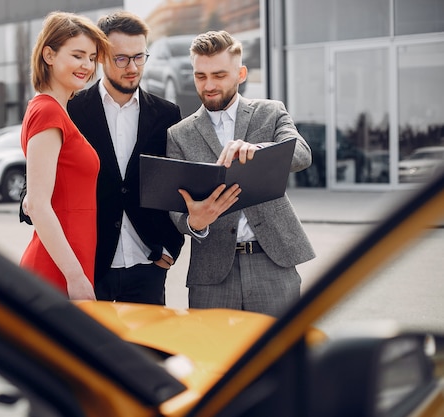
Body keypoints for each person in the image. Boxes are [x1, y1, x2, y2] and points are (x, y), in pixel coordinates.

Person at [21, 11, 184, 305]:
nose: (132, 67)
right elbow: (34, 192)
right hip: (90, 266)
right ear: (104, 58)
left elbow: (174, 185)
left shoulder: (167, 114)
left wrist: (172, 245)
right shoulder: (69, 108)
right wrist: (34, 202)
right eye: (121, 58)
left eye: (139, 57)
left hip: (148, 264)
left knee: (146, 352)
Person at [166, 30, 315, 316]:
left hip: (272, 261)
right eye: (201, 76)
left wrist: (257, 149)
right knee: (213, 357)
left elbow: (301, 154)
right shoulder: (178, 134)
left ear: (241, 73)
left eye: (219, 75)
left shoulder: (270, 113)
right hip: (211, 272)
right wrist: (193, 222)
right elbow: (176, 210)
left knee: (279, 355)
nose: (209, 85)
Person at [19, 11, 110, 300]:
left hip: (71, 262)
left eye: (92, 58)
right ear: (49, 54)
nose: (87, 65)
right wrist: (75, 277)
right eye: (78, 55)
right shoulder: (47, 111)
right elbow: (36, 204)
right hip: (57, 270)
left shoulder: (57, 111)